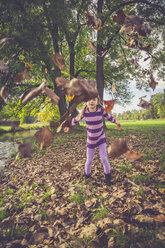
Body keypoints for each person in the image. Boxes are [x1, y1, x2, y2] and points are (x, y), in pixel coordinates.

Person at [64, 97, 121, 186]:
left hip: (101, 138)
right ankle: (87, 176)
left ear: (97, 102)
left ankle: (108, 177)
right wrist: (68, 125)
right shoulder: (84, 113)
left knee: (104, 159)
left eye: (94, 99)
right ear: (86, 102)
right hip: (90, 140)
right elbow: (76, 120)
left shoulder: (100, 111)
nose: (91, 101)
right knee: (89, 160)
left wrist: (116, 122)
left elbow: (109, 117)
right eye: (89, 99)